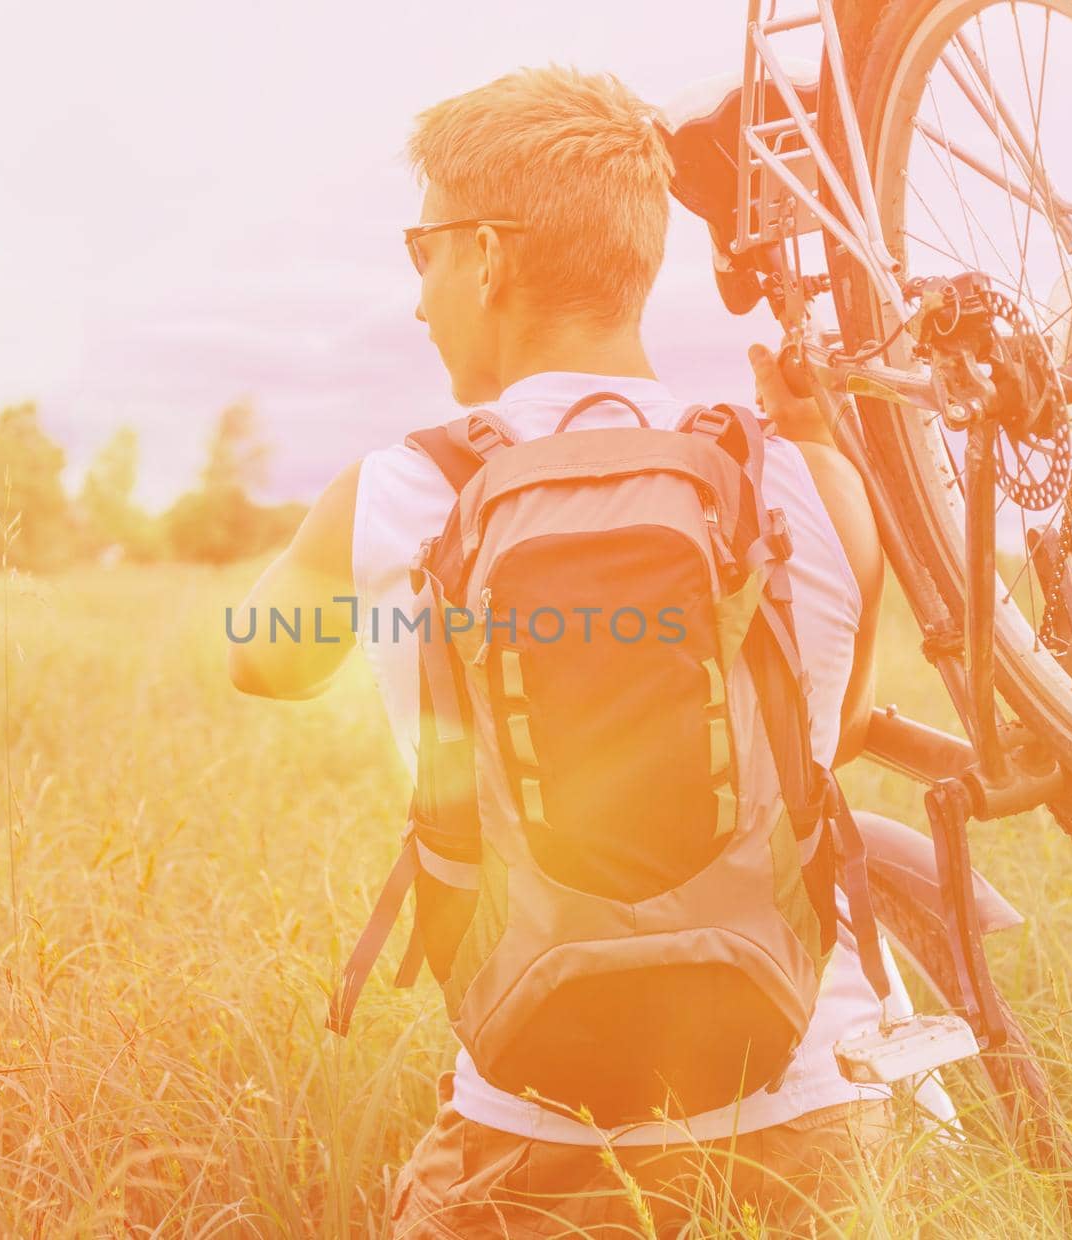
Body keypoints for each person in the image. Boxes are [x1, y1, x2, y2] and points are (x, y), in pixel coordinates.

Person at [229, 64, 906, 1238]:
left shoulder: (393, 492)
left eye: (422, 251)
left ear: (487, 255)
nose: (417, 295)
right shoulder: (803, 474)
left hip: (538, 1129)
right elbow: (832, 739)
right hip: (815, 1113)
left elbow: (264, 660)